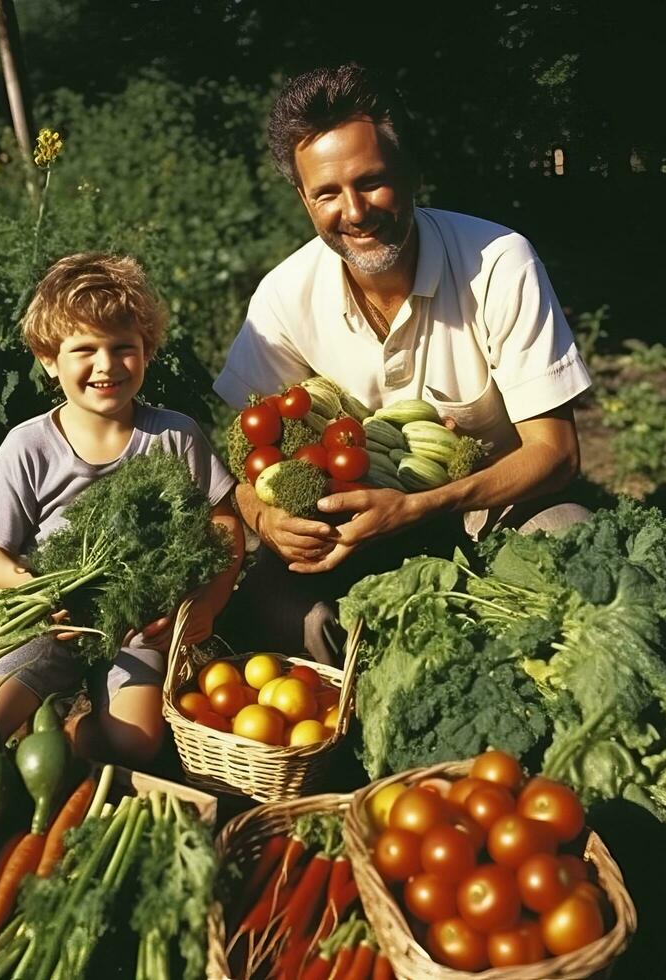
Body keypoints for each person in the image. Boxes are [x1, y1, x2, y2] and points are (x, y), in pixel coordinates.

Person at [213, 64, 591, 661]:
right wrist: (264, 518)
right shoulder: (284, 298)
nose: (355, 211)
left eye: (372, 182)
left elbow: (556, 451)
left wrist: (416, 507)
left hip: (491, 506)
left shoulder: (497, 263)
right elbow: (242, 460)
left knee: (568, 541)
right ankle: (345, 744)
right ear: (304, 200)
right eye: (327, 194)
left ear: (412, 174)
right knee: (285, 612)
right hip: (350, 528)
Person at [0, 252, 243, 773]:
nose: (106, 365)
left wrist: (207, 604)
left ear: (146, 350)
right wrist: (24, 586)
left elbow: (223, 523)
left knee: (136, 746)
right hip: (48, 623)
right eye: (85, 350)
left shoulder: (174, 435)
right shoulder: (28, 446)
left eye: (123, 348)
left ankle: (71, 732)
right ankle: (43, 705)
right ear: (48, 358)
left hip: (137, 624)